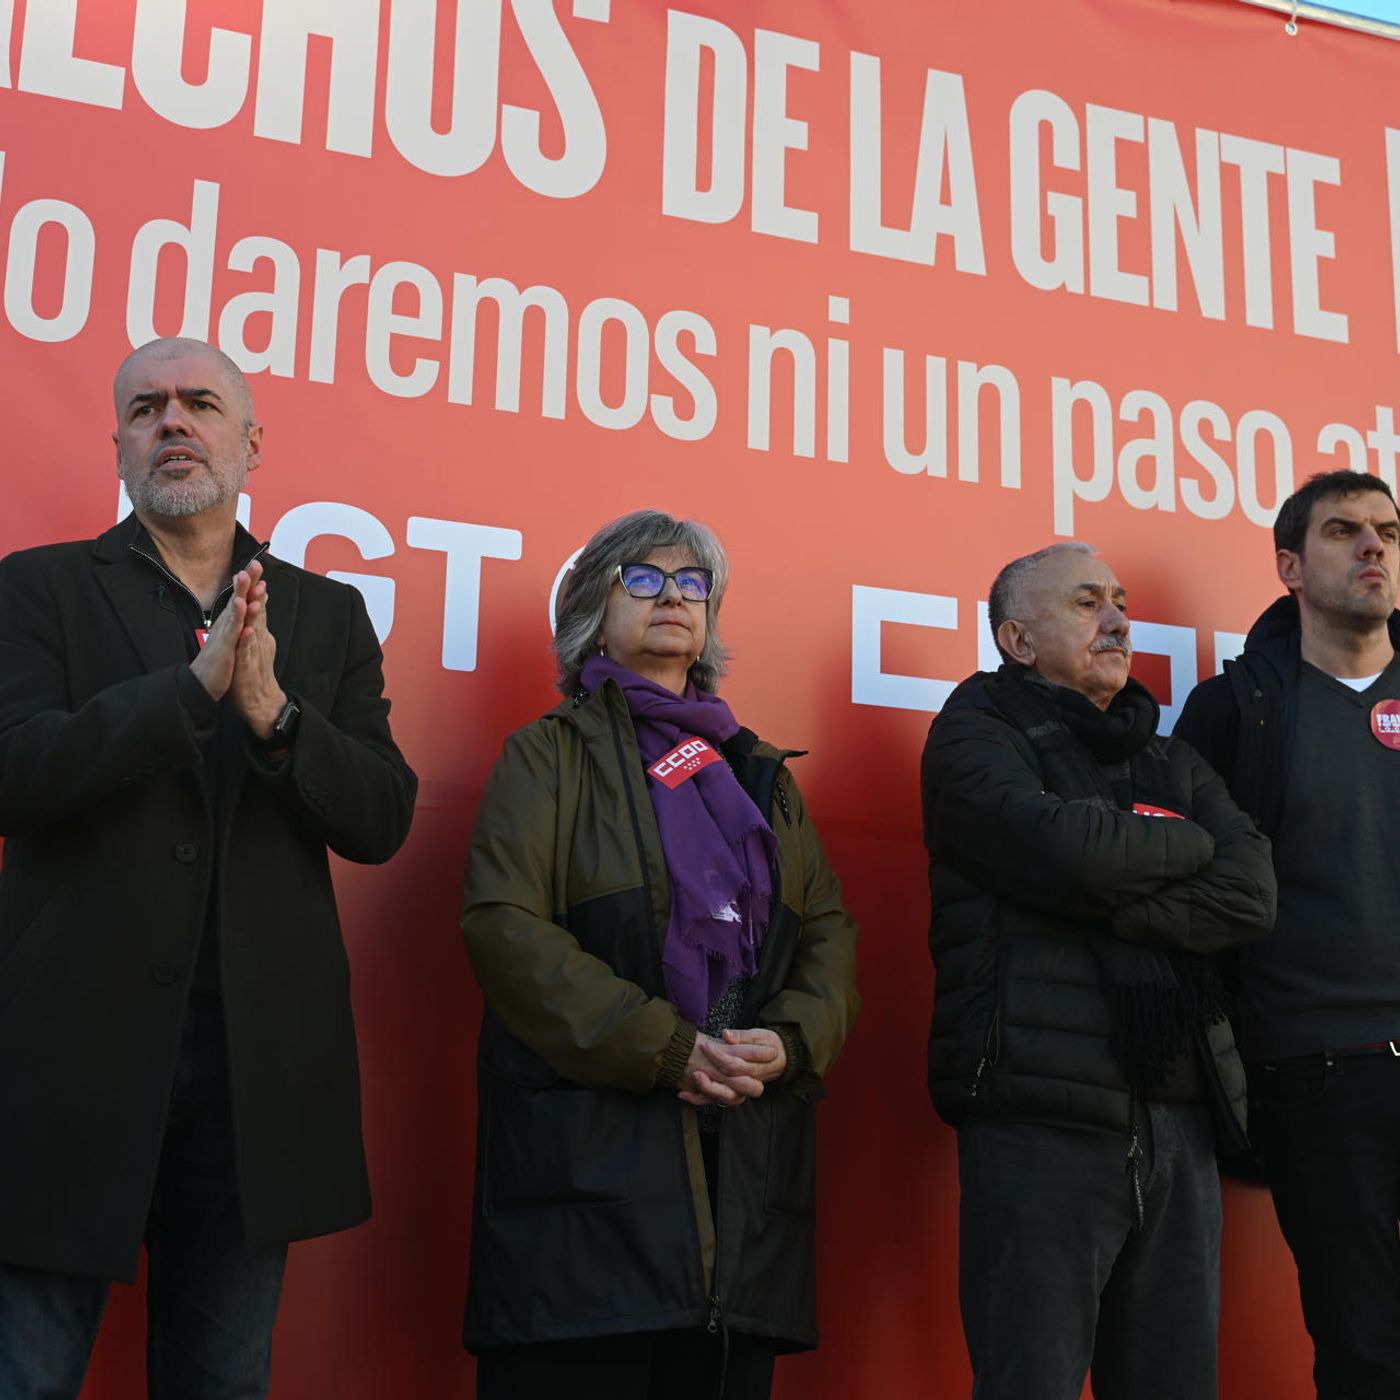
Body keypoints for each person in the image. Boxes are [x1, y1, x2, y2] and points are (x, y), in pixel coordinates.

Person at [0, 337, 417, 1399]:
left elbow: (381, 816)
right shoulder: (39, 587)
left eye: (199, 403)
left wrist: (277, 715)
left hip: (252, 1073)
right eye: (146, 409)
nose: (173, 423)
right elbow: (14, 772)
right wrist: (186, 694)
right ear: (120, 445)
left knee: (220, 1384)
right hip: (68, 1058)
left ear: (251, 442)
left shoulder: (327, 613)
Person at [459, 509, 860, 1400]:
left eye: (691, 583)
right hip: (588, 1201)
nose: (672, 595)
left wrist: (792, 1042)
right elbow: (504, 926)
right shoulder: (548, 754)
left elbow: (828, 935)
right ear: (591, 615)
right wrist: (668, 1048)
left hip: (741, 1185)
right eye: (641, 579)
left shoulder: (761, 773)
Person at [922, 541, 1276, 1400]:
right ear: (1017, 639)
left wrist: (1114, 900)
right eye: (1087, 604)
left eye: (1119, 601)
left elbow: (1251, 892)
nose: (1117, 620)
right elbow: (1064, 852)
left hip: (1180, 1116)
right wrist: (1182, 843)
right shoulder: (975, 730)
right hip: (1041, 1119)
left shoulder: (1169, 756)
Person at [1176, 469, 1400, 1400]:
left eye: (1387, 530)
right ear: (1290, 567)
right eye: (1344, 530)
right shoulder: (1237, 709)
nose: (1374, 546)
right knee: (1366, 1347)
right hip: (1315, 1066)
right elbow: (1187, 886)